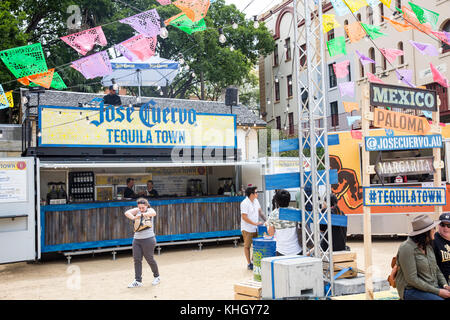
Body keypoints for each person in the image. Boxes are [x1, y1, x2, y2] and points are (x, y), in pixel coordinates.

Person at [395, 214, 450, 300]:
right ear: (426, 232)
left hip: (431, 286)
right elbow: (412, 279)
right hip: (411, 290)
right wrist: (438, 291)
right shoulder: (407, 248)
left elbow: (436, 268)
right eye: (433, 229)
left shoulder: (428, 244)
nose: (435, 231)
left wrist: (445, 285)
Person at [124, 198, 160, 288]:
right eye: (139, 207)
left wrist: (142, 214)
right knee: (137, 260)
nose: (141, 209)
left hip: (148, 239)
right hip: (136, 240)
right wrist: (134, 217)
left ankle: (157, 276)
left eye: (143, 207)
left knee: (149, 259)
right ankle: (138, 280)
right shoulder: (137, 210)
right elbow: (127, 213)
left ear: (146, 206)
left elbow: (154, 213)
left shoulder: (149, 210)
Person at [267, 190, 302, 256]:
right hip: (297, 250)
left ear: (277, 201)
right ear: (289, 200)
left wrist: (268, 226)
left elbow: (271, 234)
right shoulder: (296, 212)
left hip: (281, 251)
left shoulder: (273, 214)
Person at [240, 186, 266, 270]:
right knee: (247, 246)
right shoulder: (244, 203)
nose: (257, 194)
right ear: (251, 194)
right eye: (256, 192)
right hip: (247, 228)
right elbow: (244, 217)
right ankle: (249, 263)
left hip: (256, 227)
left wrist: (267, 220)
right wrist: (255, 223)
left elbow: (260, 212)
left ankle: (252, 260)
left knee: (257, 246)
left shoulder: (256, 201)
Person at [433, 213, 450, 283]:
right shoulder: (433, 240)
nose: (446, 228)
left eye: (449, 225)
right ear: (438, 225)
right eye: (443, 225)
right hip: (441, 282)